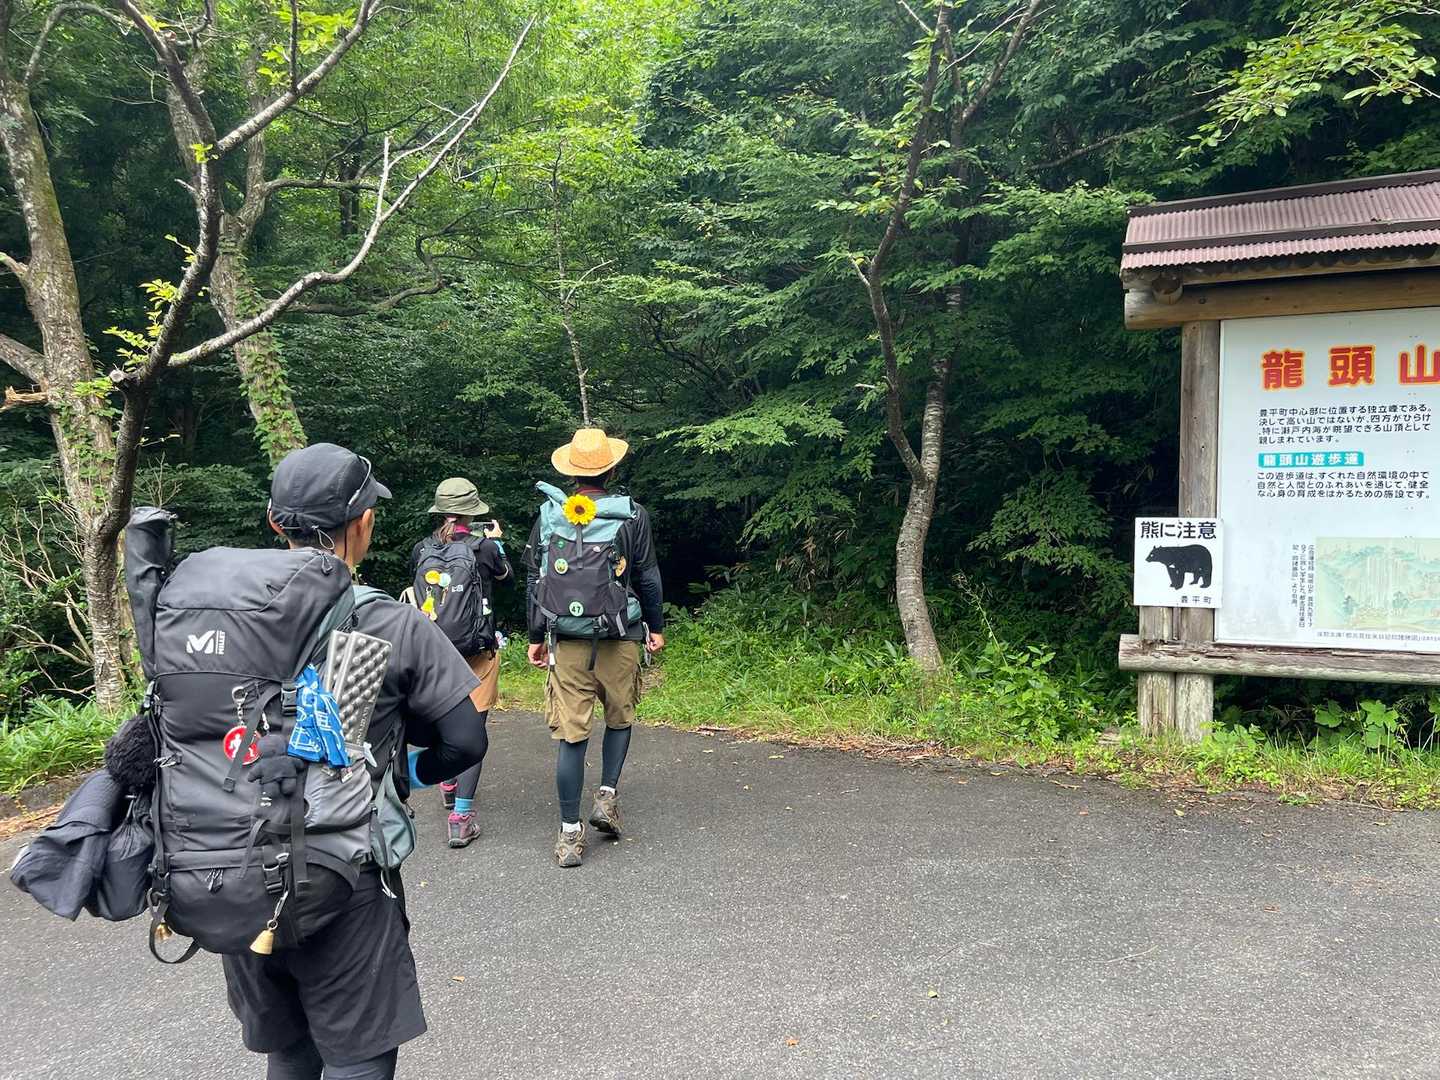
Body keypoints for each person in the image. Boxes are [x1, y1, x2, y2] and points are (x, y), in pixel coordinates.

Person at [229, 443, 490, 1080]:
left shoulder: (224, 614)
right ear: (364, 523)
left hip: (232, 864)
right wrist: (407, 775)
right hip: (344, 870)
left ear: (274, 522)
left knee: (290, 1049)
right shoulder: (389, 622)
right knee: (357, 1056)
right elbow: (465, 741)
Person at [524, 427, 665, 868]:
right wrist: (656, 627)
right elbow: (647, 576)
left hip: (567, 639)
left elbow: (535, 579)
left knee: (572, 734)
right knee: (619, 718)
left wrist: (535, 636)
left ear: (570, 473)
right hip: (621, 634)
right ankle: (606, 796)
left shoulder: (552, 515)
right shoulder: (632, 515)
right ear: (612, 469)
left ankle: (569, 835)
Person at [407, 477, 512, 848]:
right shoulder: (485, 548)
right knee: (474, 727)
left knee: (444, 719)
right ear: (473, 512)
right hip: (477, 651)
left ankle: (448, 781)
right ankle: (461, 817)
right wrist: (497, 542)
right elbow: (507, 579)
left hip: (433, 651)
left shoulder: (422, 549)